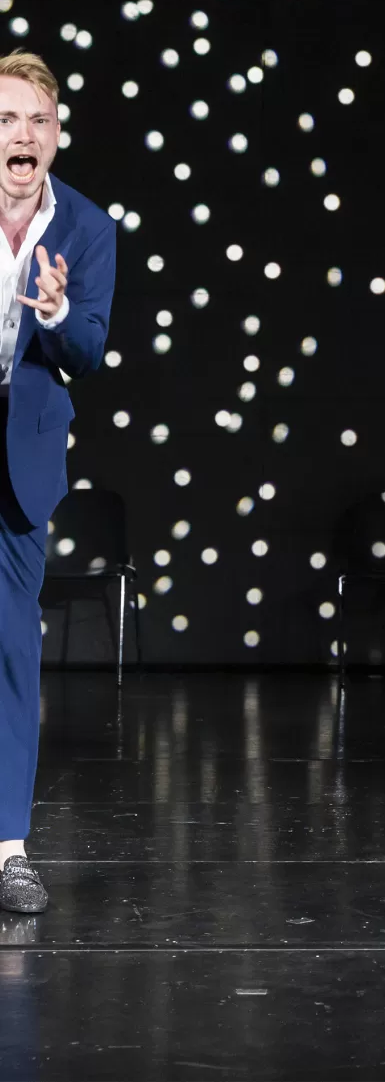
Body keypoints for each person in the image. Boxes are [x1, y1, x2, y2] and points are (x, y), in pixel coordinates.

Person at [0, 49, 114, 913]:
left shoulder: (86, 226)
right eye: (7, 119)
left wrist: (58, 310)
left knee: (12, 653)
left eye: (38, 119)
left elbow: (89, 349)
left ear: (58, 135)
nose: (24, 133)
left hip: (21, 453)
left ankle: (8, 849)